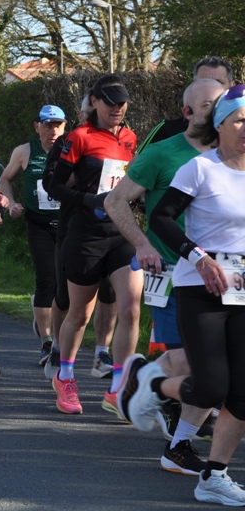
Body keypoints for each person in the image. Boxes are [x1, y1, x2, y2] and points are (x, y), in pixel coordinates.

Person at [125, 83, 245, 506]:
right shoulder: (200, 169)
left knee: (242, 393)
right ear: (221, 124)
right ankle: (153, 382)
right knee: (210, 387)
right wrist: (199, 257)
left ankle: (213, 476)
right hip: (199, 287)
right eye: (240, 120)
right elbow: (161, 217)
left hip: (241, 290)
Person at [105, 78, 225, 475]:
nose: (220, 114)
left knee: (218, 366)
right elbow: (116, 201)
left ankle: (178, 445)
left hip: (227, 275)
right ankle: (145, 377)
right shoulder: (162, 153)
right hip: (175, 272)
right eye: (209, 107)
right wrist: (142, 245)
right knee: (197, 363)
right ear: (187, 113)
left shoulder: (233, 156)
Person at [46, 75, 141, 415]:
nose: (117, 108)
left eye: (122, 102)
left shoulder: (130, 138)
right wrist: (90, 200)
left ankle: (119, 388)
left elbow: (130, 182)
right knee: (80, 313)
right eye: (111, 102)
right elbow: (53, 185)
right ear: (95, 102)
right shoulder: (80, 137)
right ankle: (65, 375)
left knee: (130, 308)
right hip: (85, 234)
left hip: (121, 233)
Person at [0, 105, 67, 365]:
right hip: (38, 224)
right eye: (48, 125)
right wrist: (11, 203)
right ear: (37, 126)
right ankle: (47, 343)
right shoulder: (25, 151)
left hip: (67, 225)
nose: (53, 131)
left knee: (65, 285)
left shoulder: (72, 149)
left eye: (58, 125)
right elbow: (5, 179)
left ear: (65, 127)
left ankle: (52, 328)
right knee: (46, 279)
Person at [137, 57, 234, 153]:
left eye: (218, 82)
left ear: (232, 86)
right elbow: (139, 162)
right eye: (204, 81)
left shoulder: (238, 130)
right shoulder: (168, 131)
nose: (211, 87)